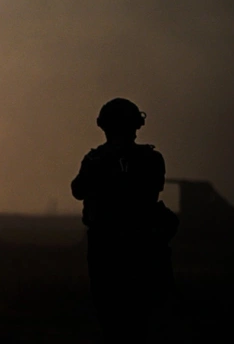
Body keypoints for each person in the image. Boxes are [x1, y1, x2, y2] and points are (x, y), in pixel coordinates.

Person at [71, 98, 178, 343]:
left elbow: (78, 190)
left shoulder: (95, 160)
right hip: (144, 246)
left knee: (113, 318)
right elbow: (152, 192)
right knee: (147, 318)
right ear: (136, 125)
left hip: (109, 249)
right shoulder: (151, 158)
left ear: (103, 126)